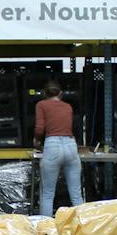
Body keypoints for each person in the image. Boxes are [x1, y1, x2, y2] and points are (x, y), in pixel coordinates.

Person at [34, 79, 84, 217]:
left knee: (48, 195)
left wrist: (37, 141)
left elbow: (40, 128)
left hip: (52, 145)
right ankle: (83, 226)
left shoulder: (41, 105)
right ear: (60, 93)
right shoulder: (68, 107)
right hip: (70, 145)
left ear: (44, 93)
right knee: (76, 194)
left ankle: (46, 230)